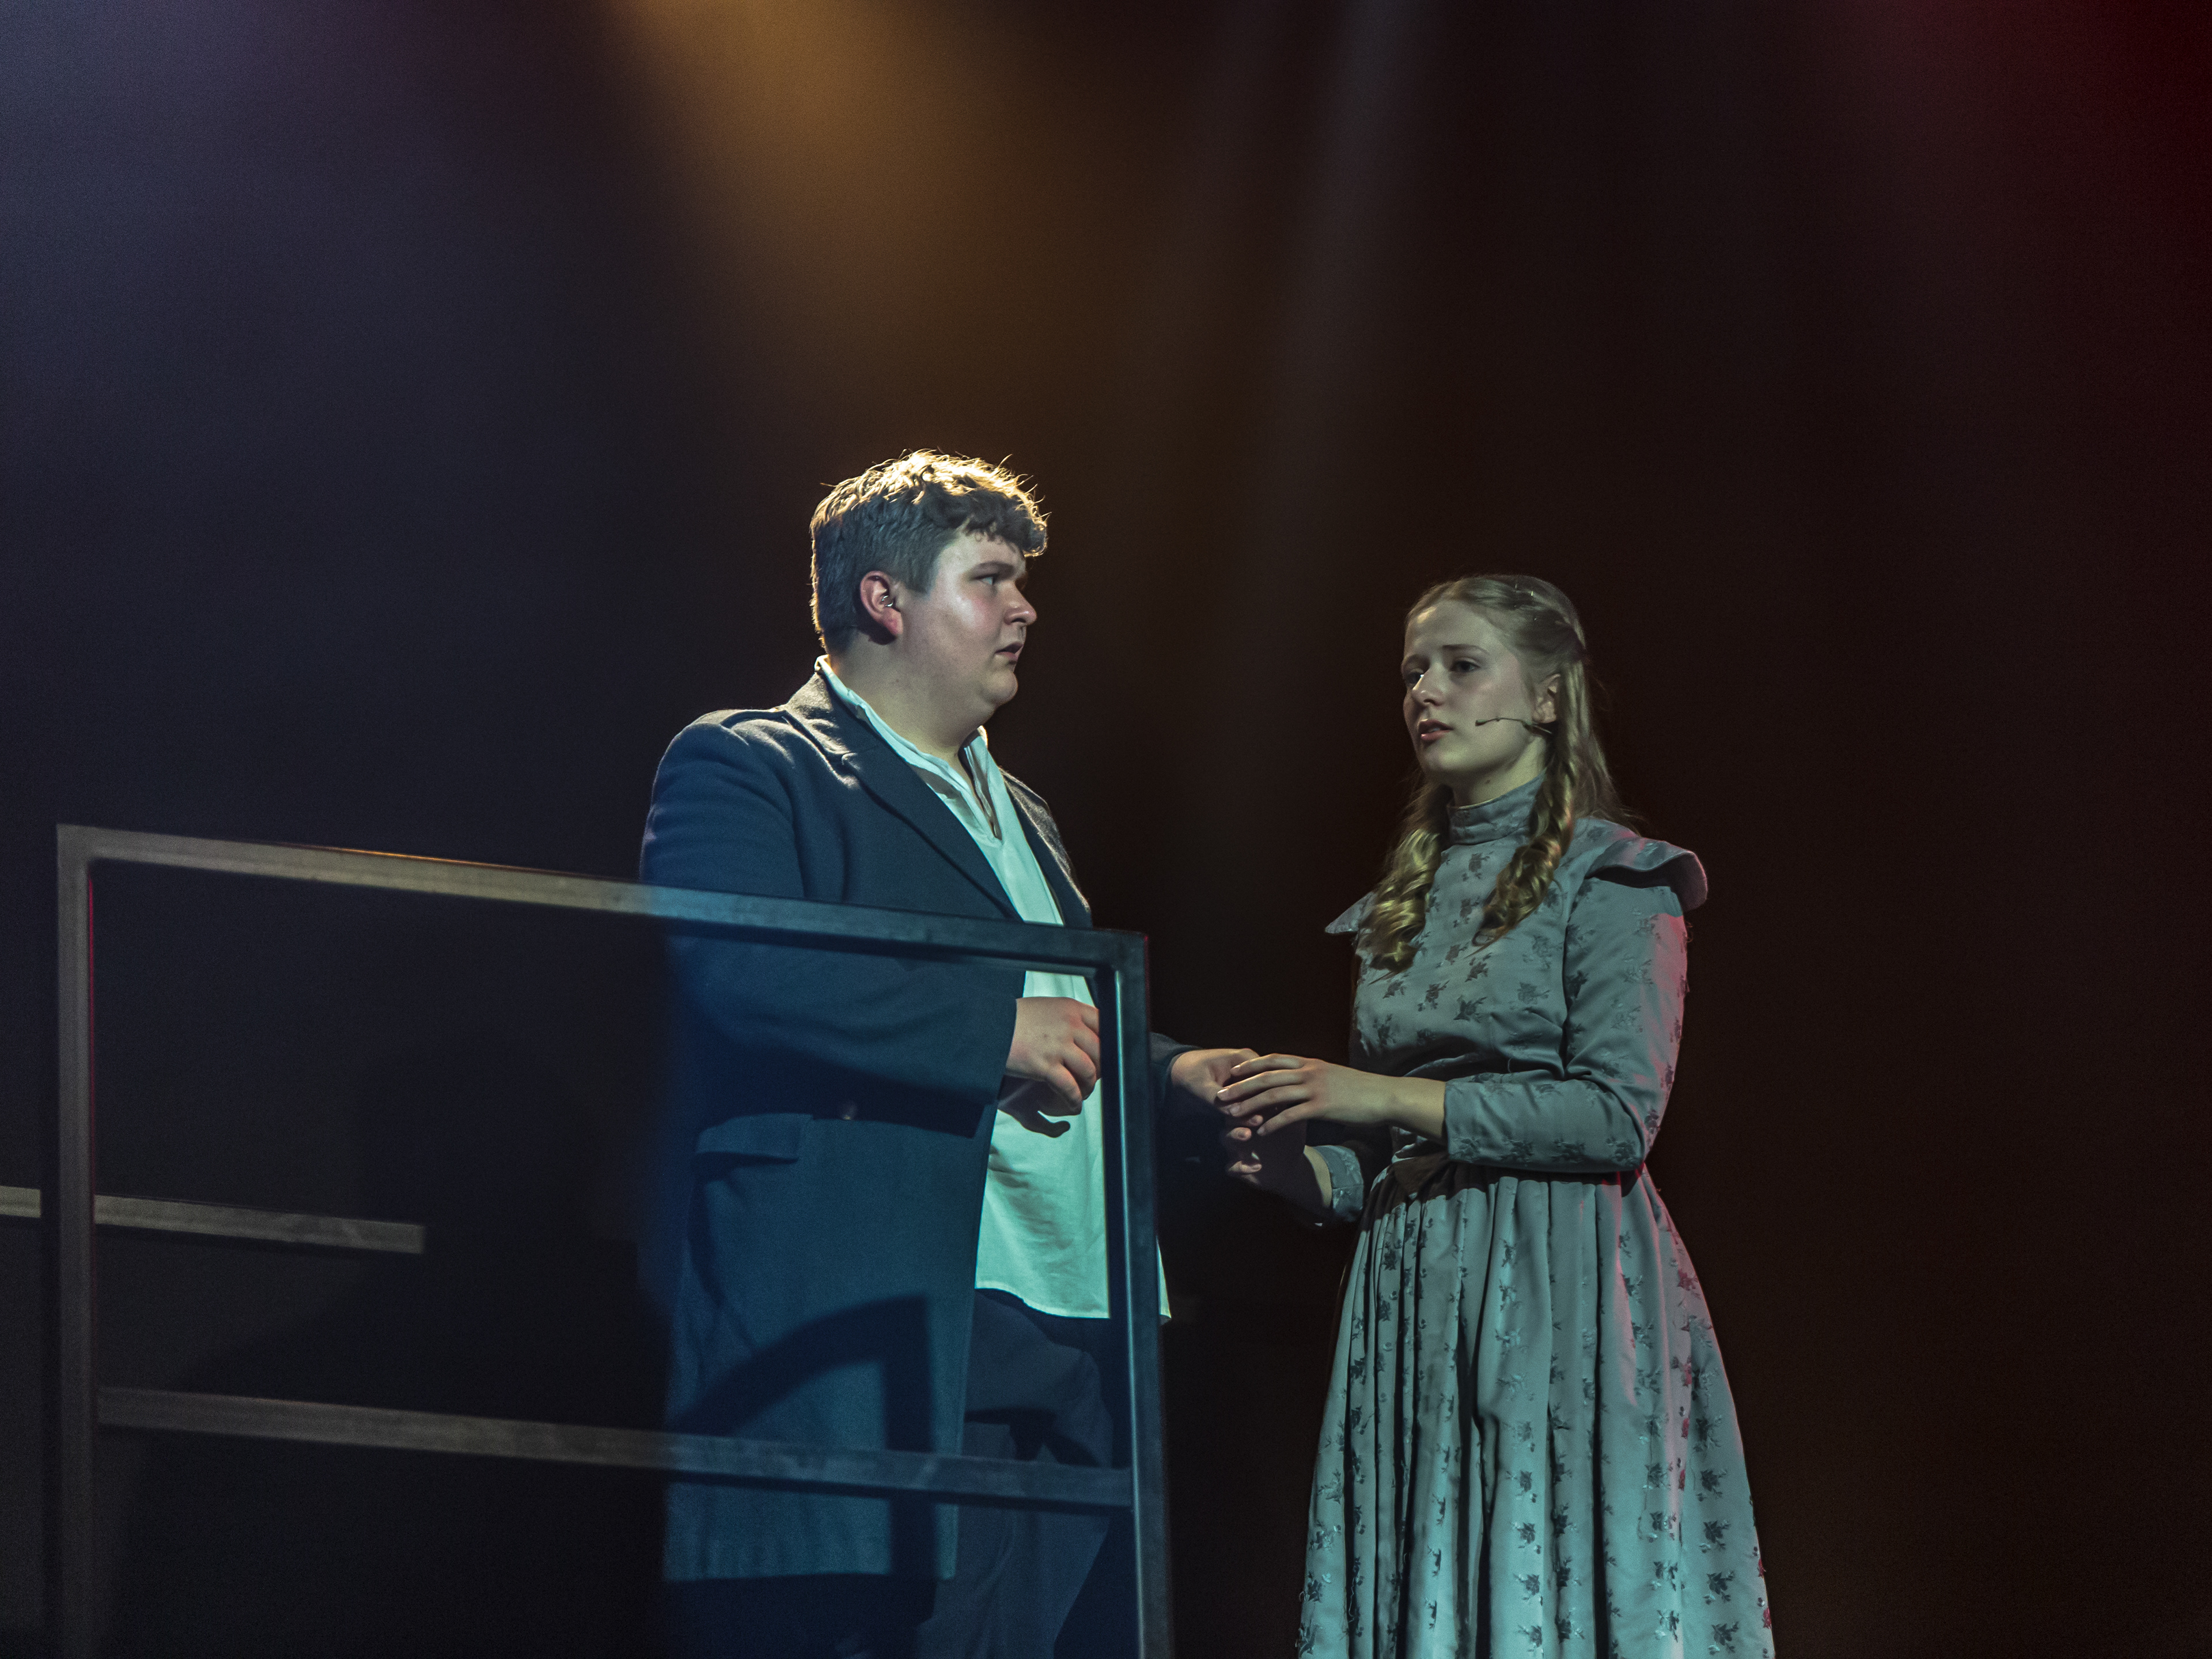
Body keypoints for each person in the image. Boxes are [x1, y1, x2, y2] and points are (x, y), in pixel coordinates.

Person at [640, 450, 1247, 1659]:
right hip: (904, 1315)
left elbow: (1064, 1023)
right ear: (886, 599)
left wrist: (1175, 1078)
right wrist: (988, 1033)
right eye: (990, 580)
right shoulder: (754, 762)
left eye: (1022, 582)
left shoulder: (1023, 810)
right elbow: (742, 970)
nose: (1025, 609)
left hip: (1077, 1326)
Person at [1217, 575, 1773, 1657]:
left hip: (1560, 1284)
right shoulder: (1398, 905)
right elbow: (1389, 1159)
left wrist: (1375, 1093)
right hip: (1413, 1285)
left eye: (1462, 666)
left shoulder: (1617, 880)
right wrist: (1294, 1170)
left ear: (1549, 697)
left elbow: (1614, 1118)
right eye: (1413, 673)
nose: (1426, 692)